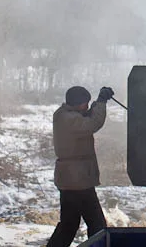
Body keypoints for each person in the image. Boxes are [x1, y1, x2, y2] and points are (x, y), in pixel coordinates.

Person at [46, 85, 114, 247]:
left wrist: (98, 102)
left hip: (71, 179)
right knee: (97, 225)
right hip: (78, 181)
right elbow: (92, 124)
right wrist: (102, 102)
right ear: (77, 104)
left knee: (68, 226)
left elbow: (87, 118)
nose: (86, 106)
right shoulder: (68, 119)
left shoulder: (66, 115)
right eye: (85, 103)